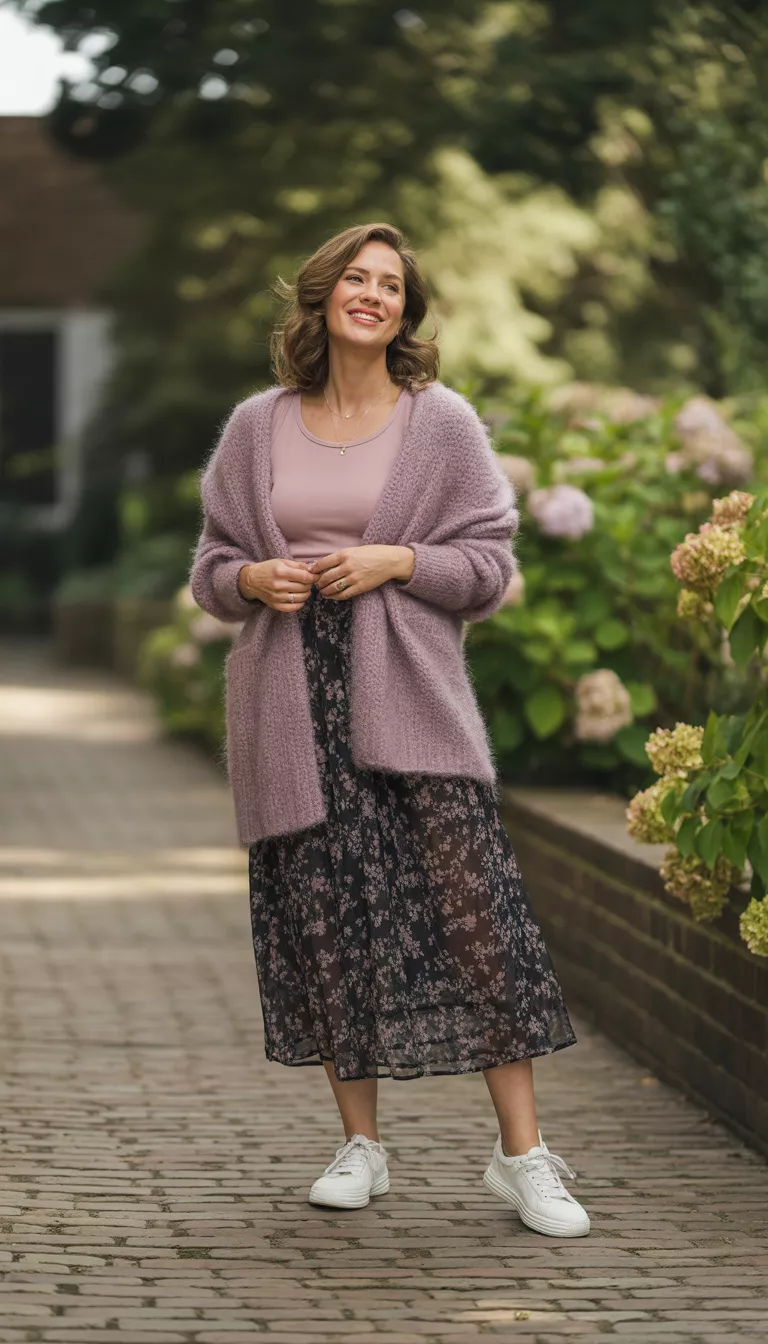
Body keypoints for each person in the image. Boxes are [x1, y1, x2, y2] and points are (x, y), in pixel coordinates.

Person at [190, 222, 590, 1238]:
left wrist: (398, 561)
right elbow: (211, 571)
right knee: (325, 927)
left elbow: (492, 565)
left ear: (406, 312)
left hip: (409, 700)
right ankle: (361, 1145)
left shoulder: (441, 422)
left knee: (476, 916)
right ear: (323, 297)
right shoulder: (256, 426)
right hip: (289, 706)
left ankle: (525, 1157)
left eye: (392, 286)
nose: (372, 295)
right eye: (356, 279)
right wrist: (251, 577)